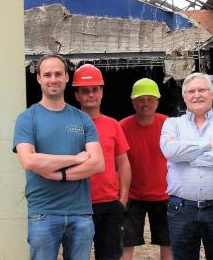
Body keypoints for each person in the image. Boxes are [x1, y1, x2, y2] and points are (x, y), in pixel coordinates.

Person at [13, 54, 105, 260]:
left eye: (57, 74)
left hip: (80, 213)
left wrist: (58, 174)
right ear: (38, 78)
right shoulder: (28, 118)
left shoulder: (82, 118)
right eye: (47, 74)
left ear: (66, 77)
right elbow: (29, 161)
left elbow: (97, 163)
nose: (52, 79)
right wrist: (75, 159)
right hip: (43, 213)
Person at [160, 72, 213, 260]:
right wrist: (208, 145)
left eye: (202, 90)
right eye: (191, 91)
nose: (197, 95)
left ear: (212, 94)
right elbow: (171, 152)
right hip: (181, 210)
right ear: (184, 97)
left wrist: (188, 156)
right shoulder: (172, 124)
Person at [73, 64, 131, 260]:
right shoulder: (69, 125)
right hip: (77, 205)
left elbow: (123, 163)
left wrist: (122, 199)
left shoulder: (112, 125)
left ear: (102, 92)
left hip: (109, 205)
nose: (91, 95)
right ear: (77, 95)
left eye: (95, 89)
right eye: (85, 91)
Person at [120, 78, 172, 260]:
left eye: (150, 99)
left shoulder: (169, 125)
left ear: (157, 101)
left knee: (168, 243)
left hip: (165, 195)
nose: (145, 104)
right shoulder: (122, 127)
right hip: (132, 196)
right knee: (125, 244)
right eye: (141, 99)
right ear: (133, 102)